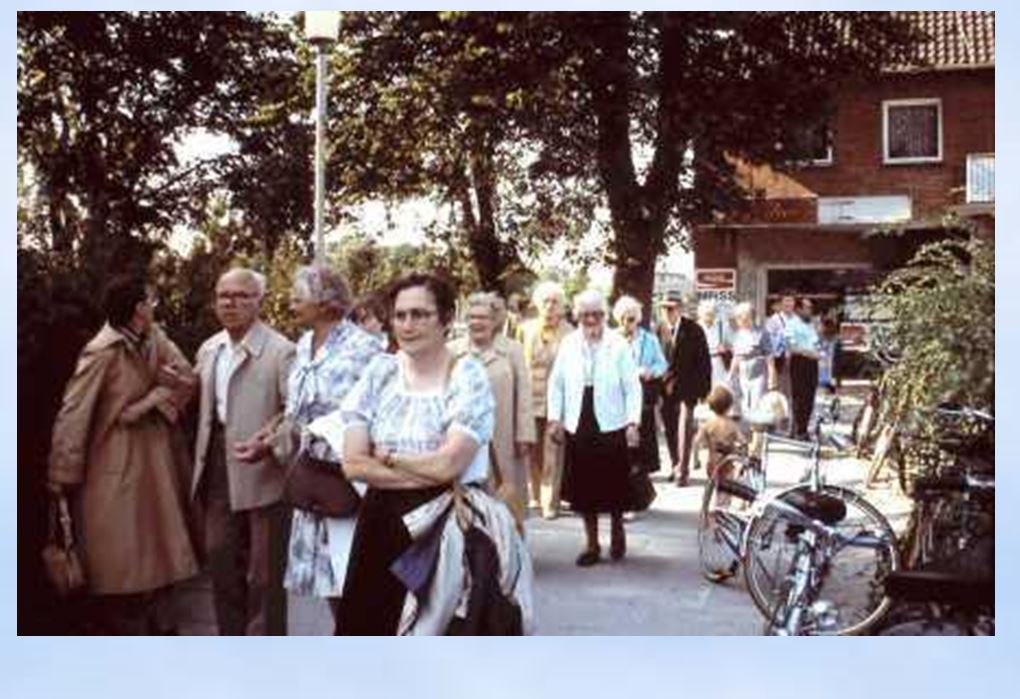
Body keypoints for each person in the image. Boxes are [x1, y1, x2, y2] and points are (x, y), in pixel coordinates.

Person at [338, 273, 497, 635]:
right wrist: (427, 469)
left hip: (444, 523)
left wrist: (390, 458)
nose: (407, 325)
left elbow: (450, 464)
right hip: (381, 524)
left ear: (444, 319)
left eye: (420, 315)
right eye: (400, 315)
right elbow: (352, 463)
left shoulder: (466, 375)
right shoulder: (379, 372)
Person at [47, 273, 198, 634]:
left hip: (158, 467)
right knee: (123, 568)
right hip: (114, 469)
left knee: (160, 569)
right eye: (150, 300)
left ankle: (161, 641)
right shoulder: (102, 353)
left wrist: (156, 399)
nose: (154, 307)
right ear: (137, 309)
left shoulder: (156, 339)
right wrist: (61, 474)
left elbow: (187, 378)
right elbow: (74, 411)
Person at [236, 265, 383, 633]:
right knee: (328, 581)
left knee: (355, 576)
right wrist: (267, 439)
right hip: (313, 480)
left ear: (325, 300)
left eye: (298, 294)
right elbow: (295, 411)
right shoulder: (303, 345)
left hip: (349, 480)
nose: (290, 300)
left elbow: (380, 409)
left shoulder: (365, 348)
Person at [191, 267, 295, 635]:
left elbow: (296, 413)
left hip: (264, 470)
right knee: (220, 561)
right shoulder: (209, 348)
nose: (230, 303)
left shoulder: (281, 351)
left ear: (259, 302)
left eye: (241, 296)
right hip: (218, 464)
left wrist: (269, 443)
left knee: (265, 574)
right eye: (223, 295)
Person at [547, 289, 642, 566]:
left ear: (604, 315)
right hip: (579, 419)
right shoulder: (568, 343)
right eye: (586, 314)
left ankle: (617, 530)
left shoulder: (617, 344)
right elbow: (557, 384)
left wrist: (633, 422)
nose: (591, 319)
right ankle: (591, 544)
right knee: (584, 485)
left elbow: (632, 387)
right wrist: (555, 419)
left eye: (597, 314)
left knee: (613, 481)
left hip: (612, 419)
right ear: (577, 316)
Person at [449, 292, 535, 530]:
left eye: (483, 317)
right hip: (464, 437)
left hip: (504, 436)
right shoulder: (453, 351)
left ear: (496, 320)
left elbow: (524, 394)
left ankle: (511, 547)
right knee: (467, 491)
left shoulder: (513, 350)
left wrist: (524, 434)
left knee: (504, 492)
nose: (477, 322)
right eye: (472, 317)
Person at [516, 281, 573, 519]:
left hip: (556, 402)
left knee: (554, 451)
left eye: (555, 302)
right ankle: (536, 496)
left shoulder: (570, 333)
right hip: (529, 399)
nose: (550, 307)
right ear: (538, 305)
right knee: (533, 450)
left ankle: (551, 501)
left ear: (562, 307)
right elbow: (517, 362)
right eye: (545, 302)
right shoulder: (525, 328)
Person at [613, 295, 668, 476]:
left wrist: (651, 371)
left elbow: (662, 364)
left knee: (643, 430)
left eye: (630, 319)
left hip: (643, 390)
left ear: (637, 319)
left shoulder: (649, 339)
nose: (626, 323)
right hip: (618, 392)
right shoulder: (611, 339)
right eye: (622, 319)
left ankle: (641, 471)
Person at [661, 292, 711, 487]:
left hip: (688, 386)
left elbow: (704, 361)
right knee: (670, 427)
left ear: (679, 309)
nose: (667, 312)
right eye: (663, 308)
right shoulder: (659, 329)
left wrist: (705, 390)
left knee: (685, 425)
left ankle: (683, 470)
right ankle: (675, 464)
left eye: (671, 308)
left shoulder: (694, 330)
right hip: (665, 388)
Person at [728, 301, 778, 419]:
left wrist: (772, 376)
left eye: (744, 319)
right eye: (739, 319)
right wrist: (730, 374)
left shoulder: (762, 333)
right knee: (745, 403)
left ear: (751, 317)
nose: (742, 322)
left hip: (758, 373)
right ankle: (748, 431)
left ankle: (758, 433)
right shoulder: (738, 335)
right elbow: (736, 356)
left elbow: (769, 356)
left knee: (757, 402)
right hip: (743, 374)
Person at [785, 297, 821, 440]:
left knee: (809, 397)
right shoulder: (792, 324)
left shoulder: (811, 325)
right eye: (807, 308)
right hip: (800, 362)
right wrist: (809, 353)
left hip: (812, 363)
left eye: (811, 308)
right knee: (799, 397)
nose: (810, 311)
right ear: (799, 309)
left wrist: (818, 352)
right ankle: (798, 430)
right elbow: (791, 346)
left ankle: (804, 428)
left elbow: (816, 342)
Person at [692, 385, 746, 479]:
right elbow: (743, 442)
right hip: (727, 464)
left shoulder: (707, 425)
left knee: (715, 485)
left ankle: (717, 494)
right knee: (727, 488)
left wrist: (696, 459)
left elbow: (696, 442)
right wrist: (741, 454)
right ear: (729, 406)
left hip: (712, 464)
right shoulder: (732, 425)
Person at [765, 293, 797, 418]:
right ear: (781, 303)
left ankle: (791, 418)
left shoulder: (797, 319)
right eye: (786, 301)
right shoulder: (774, 320)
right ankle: (779, 417)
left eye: (791, 300)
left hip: (796, 358)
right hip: (780, 359)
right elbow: (768, 342)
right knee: (780, 390)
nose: (789, 304)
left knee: (793, 390)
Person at [697, 299, 730, 390]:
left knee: (720, 390)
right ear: (701, 314)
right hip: (701, 362)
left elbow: (732, 344)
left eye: (711, 314)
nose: (709, 317)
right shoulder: (696, 327)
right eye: (707, 314)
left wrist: (725, 348)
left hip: (718, 362)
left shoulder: (722, 326)